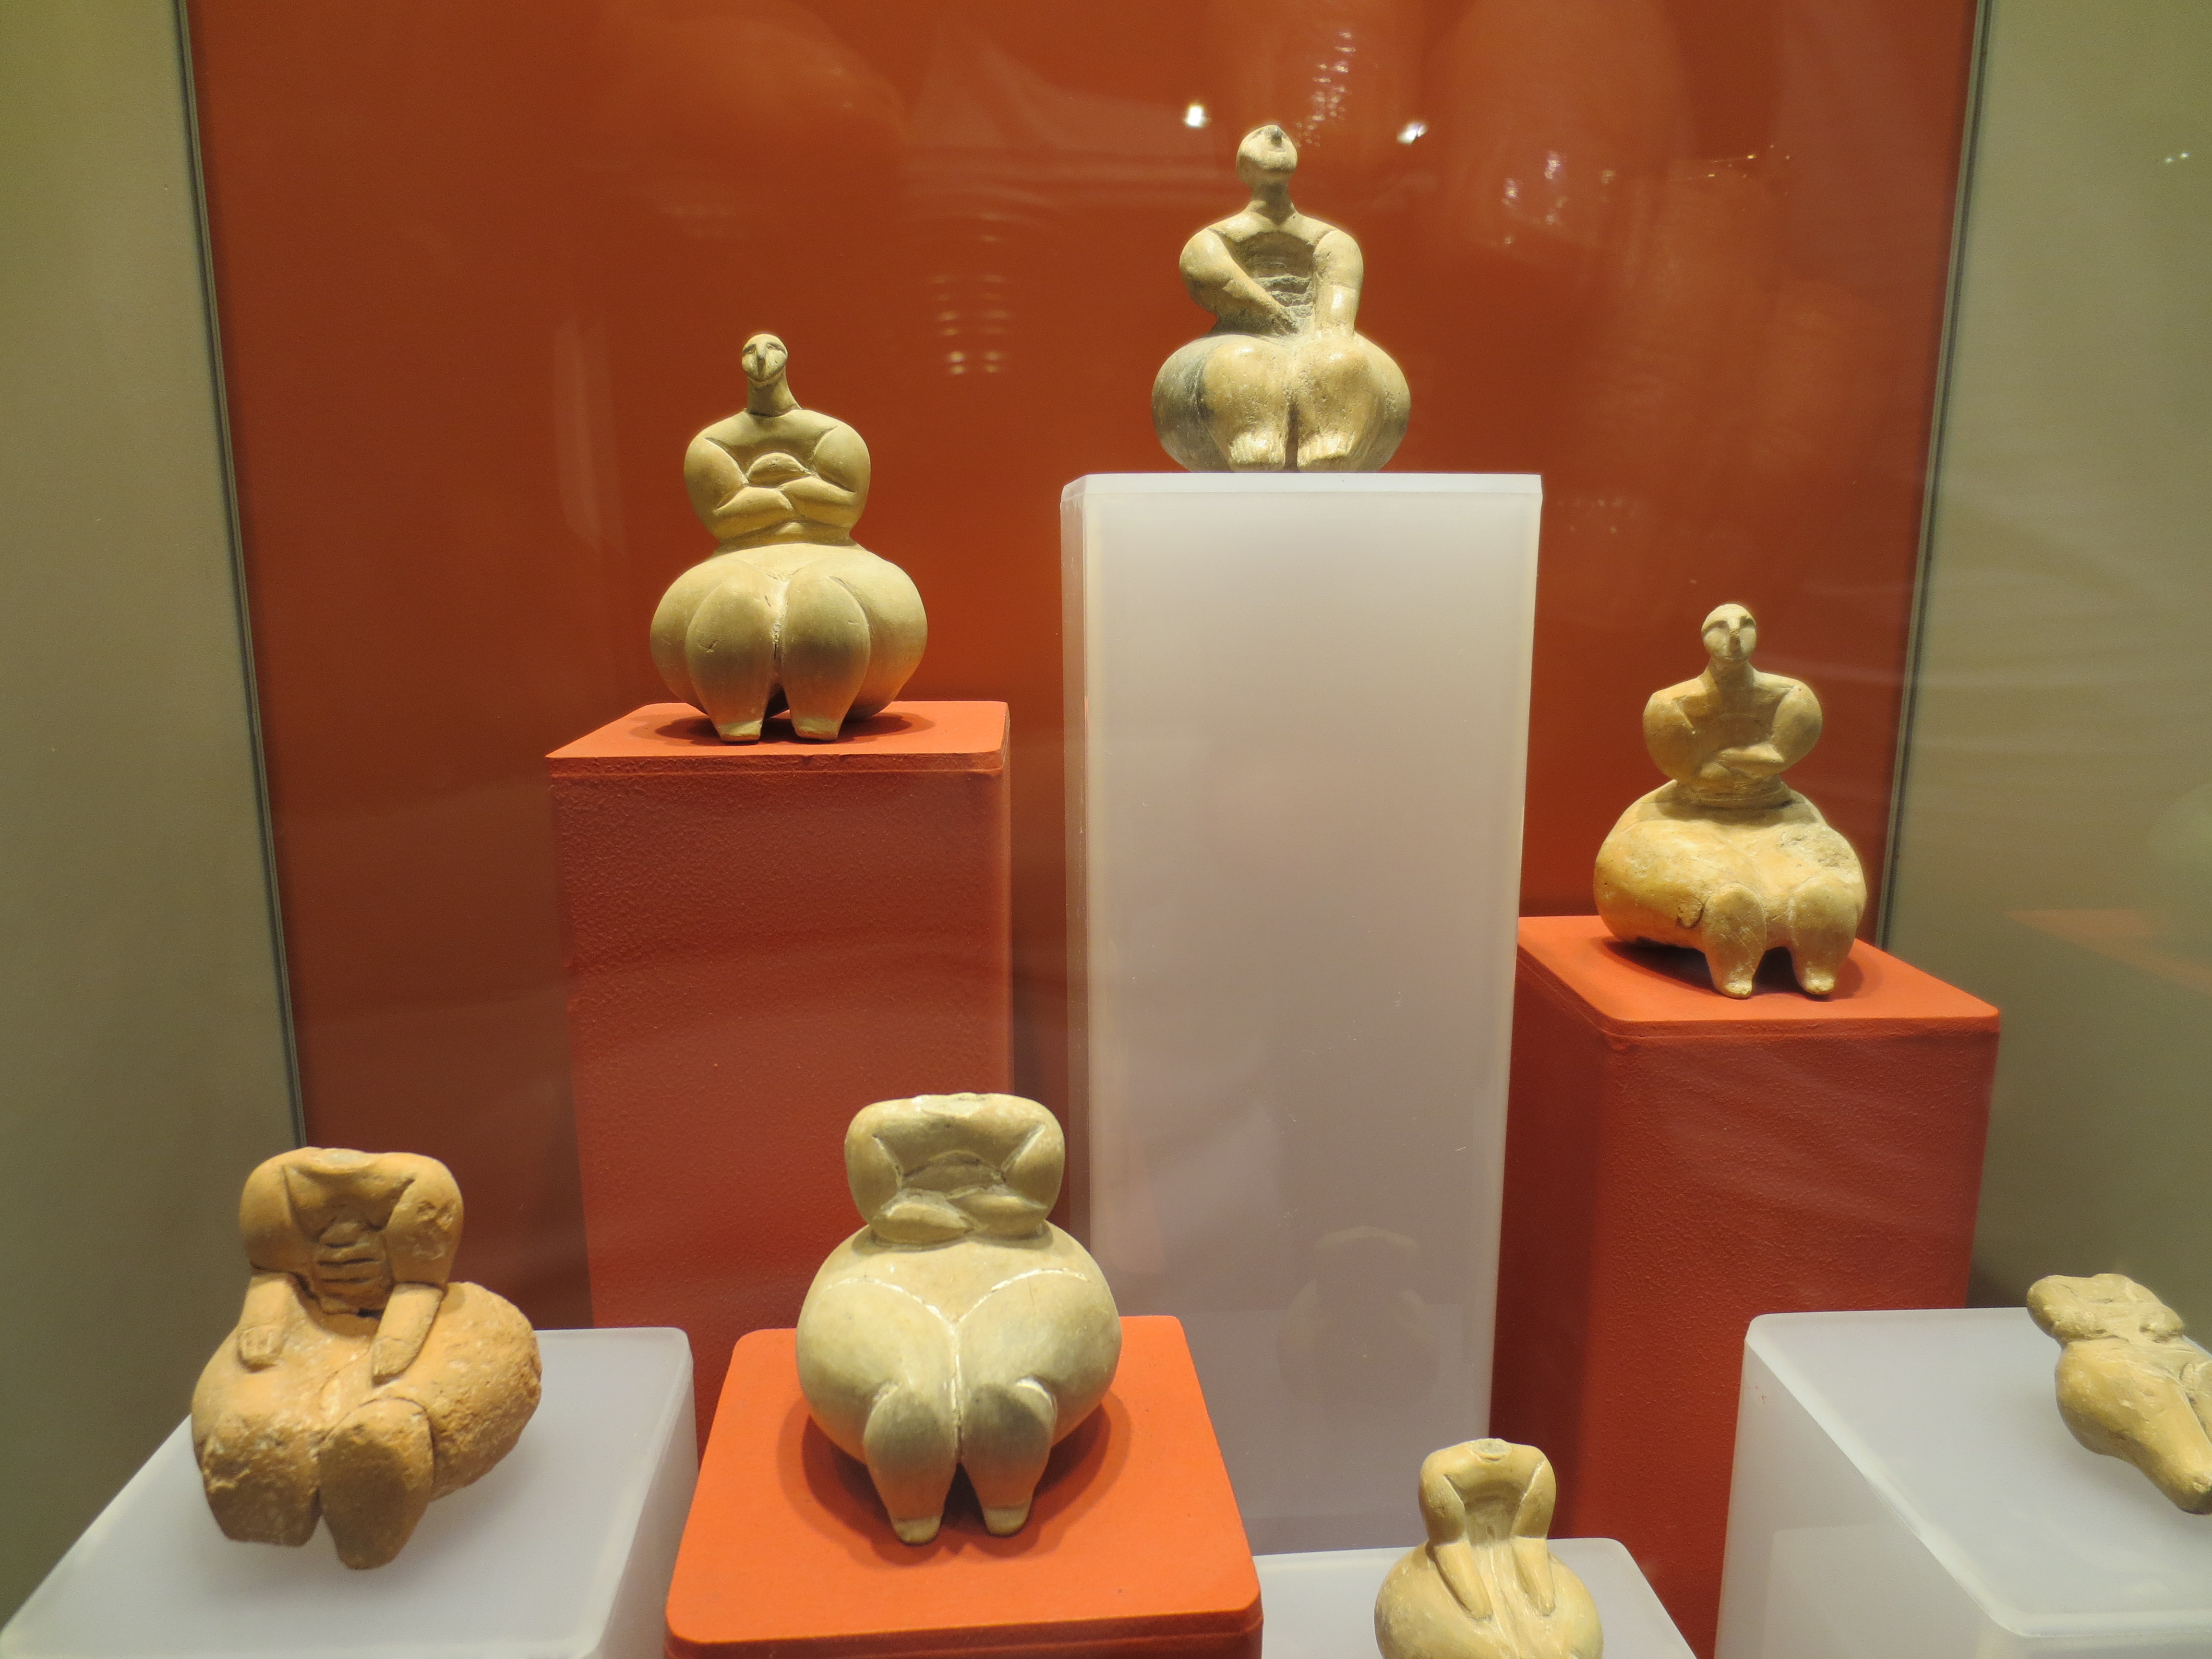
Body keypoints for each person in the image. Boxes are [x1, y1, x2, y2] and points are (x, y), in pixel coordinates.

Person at [191, 1148, 539, 1569]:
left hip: (419, 1327)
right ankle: (261, 1441)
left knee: (429, 1388)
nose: (342, 1238)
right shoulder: (282, 1294)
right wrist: (278, 1286)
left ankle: (387, 1442)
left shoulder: (469, 1312)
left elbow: (422, 1295)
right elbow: (265, 1315)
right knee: (253, 1404)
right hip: (299, 1325)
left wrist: (415, 1287)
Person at [651, 333, 926, 741]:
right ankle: (756, 712)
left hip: (831, 555)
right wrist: (799, 490)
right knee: (738, 597)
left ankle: (784, 711)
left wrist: (766, 491)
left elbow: (845, 506)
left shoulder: (833, 434)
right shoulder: (712, 443)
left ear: (786, 357)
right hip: (739, 560)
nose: (761, 359)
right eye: (751, 351)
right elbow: (724, 516)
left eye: (772, 349)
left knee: (820, 597)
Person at [1594, 603, 1865, 997]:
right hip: (1684, 813)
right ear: (1706, 637)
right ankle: (1726, 911)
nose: (1734, 636)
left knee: (1819, 866)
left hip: (1777, 813)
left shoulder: (1792, 695)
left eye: (1744, 625)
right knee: (1693, 866)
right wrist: (1750, 761)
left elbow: (1777, 752)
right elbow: (1685, 766)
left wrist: (1732, 762)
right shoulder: (1671, 703)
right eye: (1721, 627)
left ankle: (1815, 911)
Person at [1153, 125, 1409, 472]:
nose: (1275, 133)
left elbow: (1338, 307)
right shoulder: (1213, 239)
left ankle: (1331, 445)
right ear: (1243, 168)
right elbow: (1214, 279)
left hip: (1320, 337)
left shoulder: (1333, 240)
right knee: (1239, 363)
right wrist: (1268, 309)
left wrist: (1328, 336)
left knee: (1342, 361)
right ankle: (1256, 442)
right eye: (1261, 137)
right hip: (1243, 336)